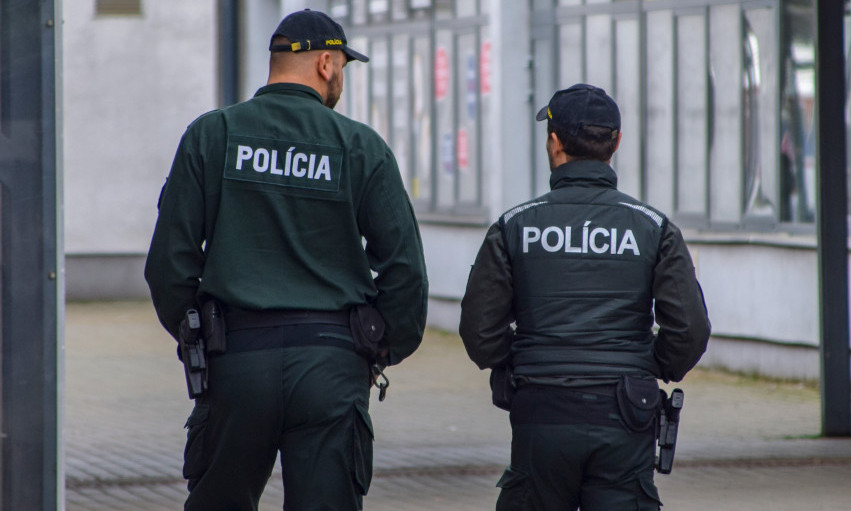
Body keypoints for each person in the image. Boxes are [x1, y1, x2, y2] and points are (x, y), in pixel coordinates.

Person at [144, 9, 428, 511]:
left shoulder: (212, 135)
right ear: (325, 63)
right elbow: (405, 270)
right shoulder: (360, 147)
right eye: (343, 66)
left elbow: (169, 263)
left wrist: (198, 335)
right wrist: (379, 350)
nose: (341, 78)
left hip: (236, 360)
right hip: (331, 365)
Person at [459, 84, 710, 511]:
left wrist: (520, 362)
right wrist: (648, 364)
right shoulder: (653, 228)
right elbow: (689, 329)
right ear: (617, 143)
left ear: (555, 143)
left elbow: (479, 330)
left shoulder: (514, 225)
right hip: (627, 411)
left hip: (541, 409)